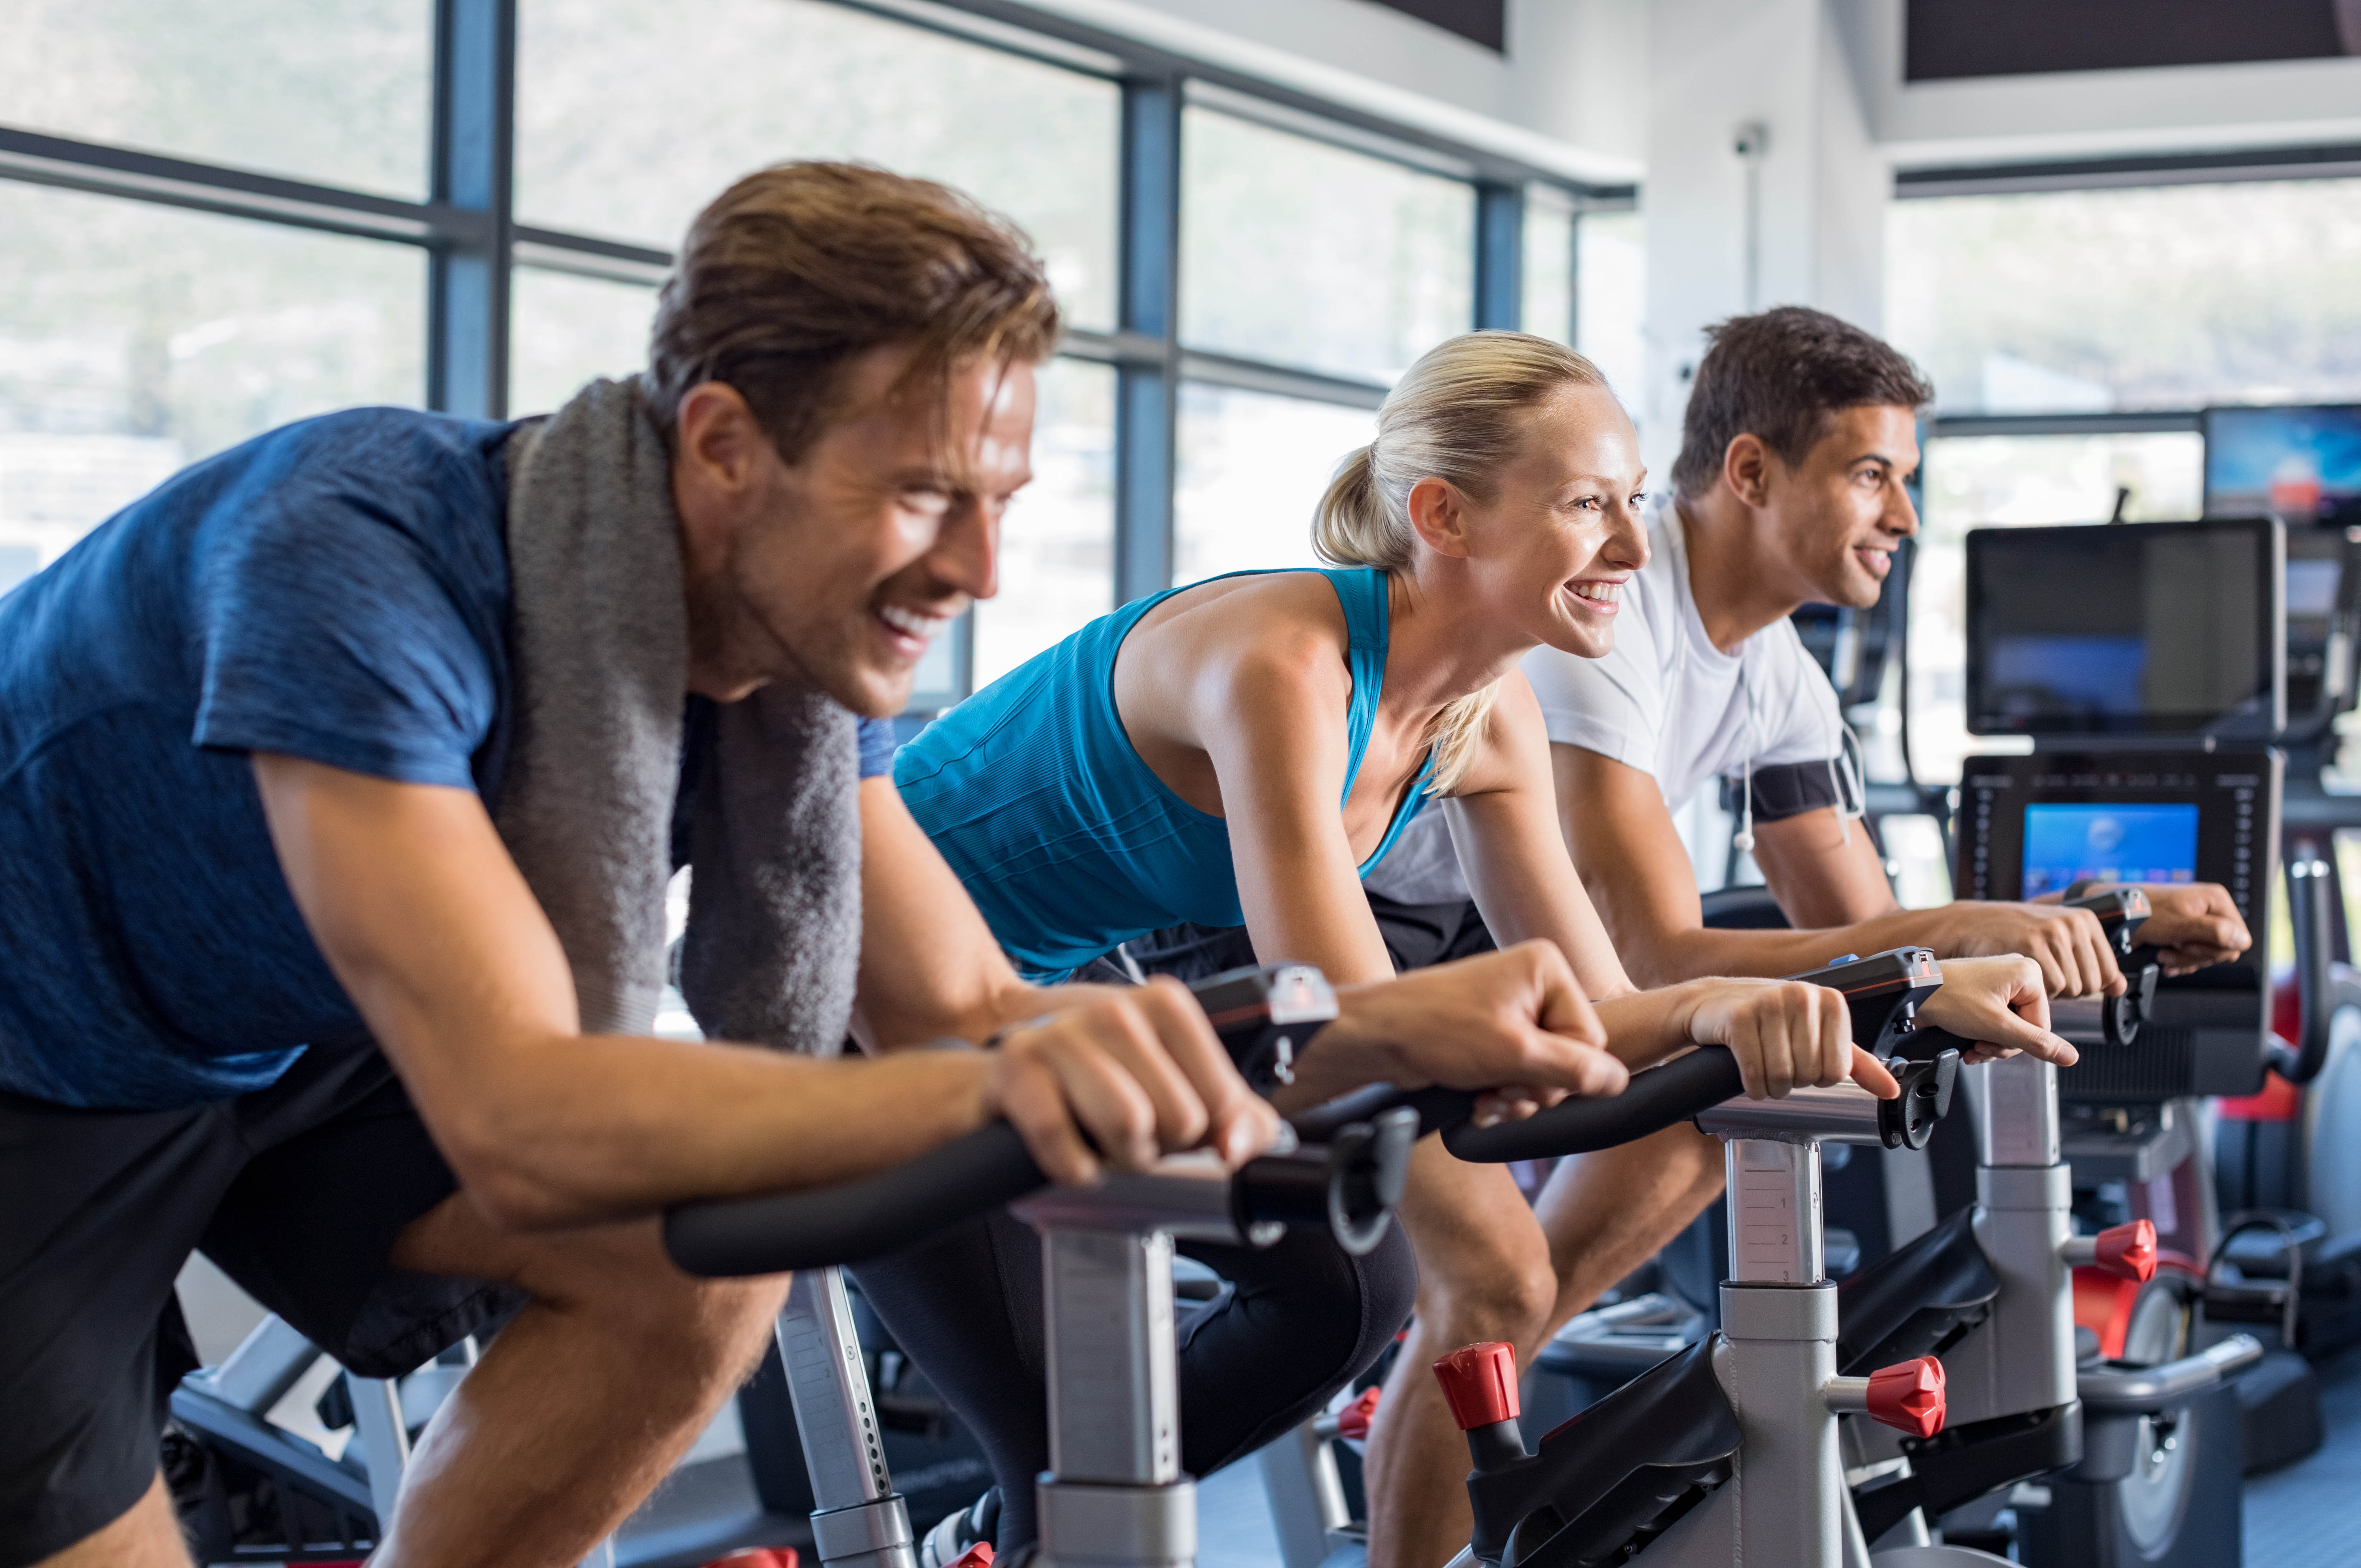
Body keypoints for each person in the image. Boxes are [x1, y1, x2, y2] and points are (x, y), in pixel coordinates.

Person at [0, 165, 1631, 1568]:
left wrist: (1357, 1042)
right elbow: (527, 1113)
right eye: (924, 493)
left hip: (285, 1036)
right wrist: (1008, 1093)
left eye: (997, 500)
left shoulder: (784, 660)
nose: (977, 570)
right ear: (719, 445)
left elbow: (963, 1008)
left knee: (694, 1272)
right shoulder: (352, 566)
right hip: (39, 1064)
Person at [890, 328, 2072, 1568]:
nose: (1629, 546)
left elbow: (1609, 1002)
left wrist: (1883, 988)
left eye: (1628, 503)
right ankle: (1021, 1523)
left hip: (1066, 982)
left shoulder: (1486, 711)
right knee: (1058, 1438)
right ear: (1446, 516)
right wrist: (1645, 1011)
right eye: (1584, 506)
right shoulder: (1283, 664)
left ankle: (1027, 1520)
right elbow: (1340, 1026)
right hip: (889, 971)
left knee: (1352, 1300)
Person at [1356, 305, 2254, 1567]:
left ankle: (1500, 1384)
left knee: (1701, 1141)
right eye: (1873, 474)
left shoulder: (1781, 676)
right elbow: (1660, 955)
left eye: (1910, 481)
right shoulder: (1606, 614)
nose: (1906, 517)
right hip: (1388, 961)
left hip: (1521, 963)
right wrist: (2004, 925)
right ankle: (1473, 1377)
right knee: (1503, 1286)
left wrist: (2087, 927)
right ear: (1751, 473)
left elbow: (1864, 931)